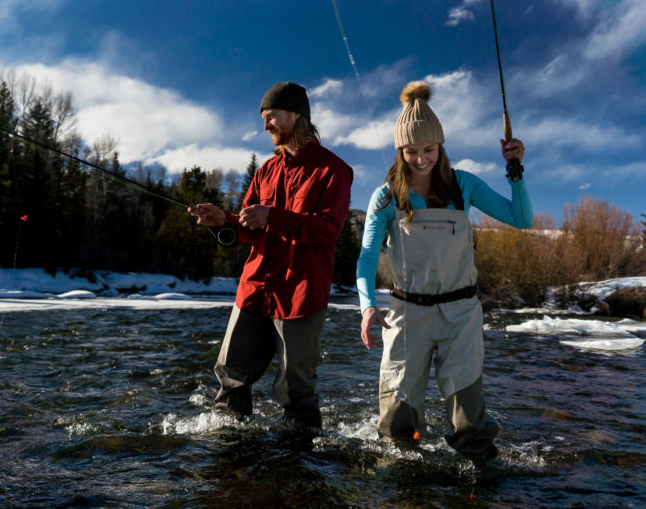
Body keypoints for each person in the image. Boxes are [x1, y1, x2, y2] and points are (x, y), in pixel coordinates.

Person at [356, 81, 533, 459]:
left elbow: (521, 219)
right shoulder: (386, 195)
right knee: (396, 429)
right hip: (407, 316)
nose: (421, 159)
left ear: (441, 147)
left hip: (461, 317)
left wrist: (515, 170)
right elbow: (368, 256)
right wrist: (367, 305)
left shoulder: (463, 185)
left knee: (472, 427)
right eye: (411, 151)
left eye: (429, 150)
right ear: (399, 151)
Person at [188, 81, 353, 429]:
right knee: (230, 375)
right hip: (255, 287)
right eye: (264, 119)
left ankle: (297, 462)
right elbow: (249, 228)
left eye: (271, 117)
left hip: (301, 293)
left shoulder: (334, 170)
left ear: (297, 115)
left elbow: (327, 229)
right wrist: (222, 221)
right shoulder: (266, 170)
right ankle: (228, 452)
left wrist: (272, 216)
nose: (266, 127)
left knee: (297, 390)